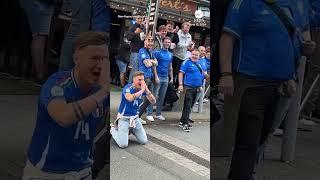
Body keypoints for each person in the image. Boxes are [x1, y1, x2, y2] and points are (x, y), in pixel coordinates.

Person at [218, 0, 305, 179]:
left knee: (260, 140)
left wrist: (292, 75)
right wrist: (226, 74)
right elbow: (227, 38)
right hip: (251, 85)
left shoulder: (287, 7)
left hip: (280, 87)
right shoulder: (244, 4)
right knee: (247, 142)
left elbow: (290, 44)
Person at [22, 32, 110, 180]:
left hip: (82, 170)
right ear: (77, 59)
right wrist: (103, 93)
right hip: (46, 172)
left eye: (105, 59)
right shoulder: (57, 84)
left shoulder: (100, 90)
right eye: (94, 58)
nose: (101, 65)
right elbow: (63, 117)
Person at [111, 71, 156, 148]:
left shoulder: (143, 89)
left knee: (143, 141)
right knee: (123, 145)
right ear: (134, 80)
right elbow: (129, 98)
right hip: (124, 119)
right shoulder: (128, 88)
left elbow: (153, 101)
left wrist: (147, 90)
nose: (142, 82)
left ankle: (132, 130)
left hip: (135, 119)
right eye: (139, 80)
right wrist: (141, 91)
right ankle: (112, 129)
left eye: (143, 80)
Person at [19, 0, 57, 83]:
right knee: (39, 36)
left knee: (38, 36)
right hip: (40, 4)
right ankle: (40, 74)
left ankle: (38, 72)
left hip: (33, 4)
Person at [178, 49, 207, 132]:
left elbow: (201, 75)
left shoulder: (199, 63)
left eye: (196, 55)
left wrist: (200, 85)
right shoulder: (186, 62)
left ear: (199, 56)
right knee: (187, 105)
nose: (194, 56)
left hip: (197, 88)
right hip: (188, 87)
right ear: (190, 54)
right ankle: (185, 124)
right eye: (193, 54)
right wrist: (180, 85)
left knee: (190, 106)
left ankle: (182, 121)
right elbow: (181, 73)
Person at [137, 34, 159, 122]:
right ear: (144, 41)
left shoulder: (151, 52)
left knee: (149, 99)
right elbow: (148, 64)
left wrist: (156, 76)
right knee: (142, 99)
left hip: (150, 77)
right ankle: (135, 117)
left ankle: (137, 117)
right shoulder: (142, 51)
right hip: (143, 78)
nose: (150, 42)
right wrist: (152, 61)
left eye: (151, 40)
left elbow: (155, 64)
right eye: (148, 40)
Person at [153, 37, 174, 120]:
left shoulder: (170, 54)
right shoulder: (157, 52)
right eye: (166, 42)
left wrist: (171, 77)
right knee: (154, 96)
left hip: (166, 78)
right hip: (158, 76)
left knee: (162, 97)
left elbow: (170, 67)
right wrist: (155, 76)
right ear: (163, 42)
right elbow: (154, 65)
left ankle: (158, 114)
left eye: (169, 42)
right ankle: (149, 113)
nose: (167, 43)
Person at [173, 22, 193, 88]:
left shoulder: (189, 35)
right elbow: (178, 45)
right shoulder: (178, 33)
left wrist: (190, 47)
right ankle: (171, 87)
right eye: (186, 27)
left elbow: (188, 47)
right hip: (176, 56)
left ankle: (177, 87)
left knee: (181, 73)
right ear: (182, 27)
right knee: (174, 73)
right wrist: (188, 45)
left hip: (184, 57)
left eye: (188, 28)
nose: (187, 29)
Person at [127, 13, 146, 82]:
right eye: (138, 18)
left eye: (141, 18)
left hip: (142, 51)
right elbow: (128, 38)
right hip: (135, 51)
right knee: (134, 70)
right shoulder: (132, 26)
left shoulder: (144, 28)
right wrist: (135, 32)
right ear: (135, 19)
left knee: (139, 70)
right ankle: (130, 85)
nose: (140, 20)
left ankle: (136, 86)